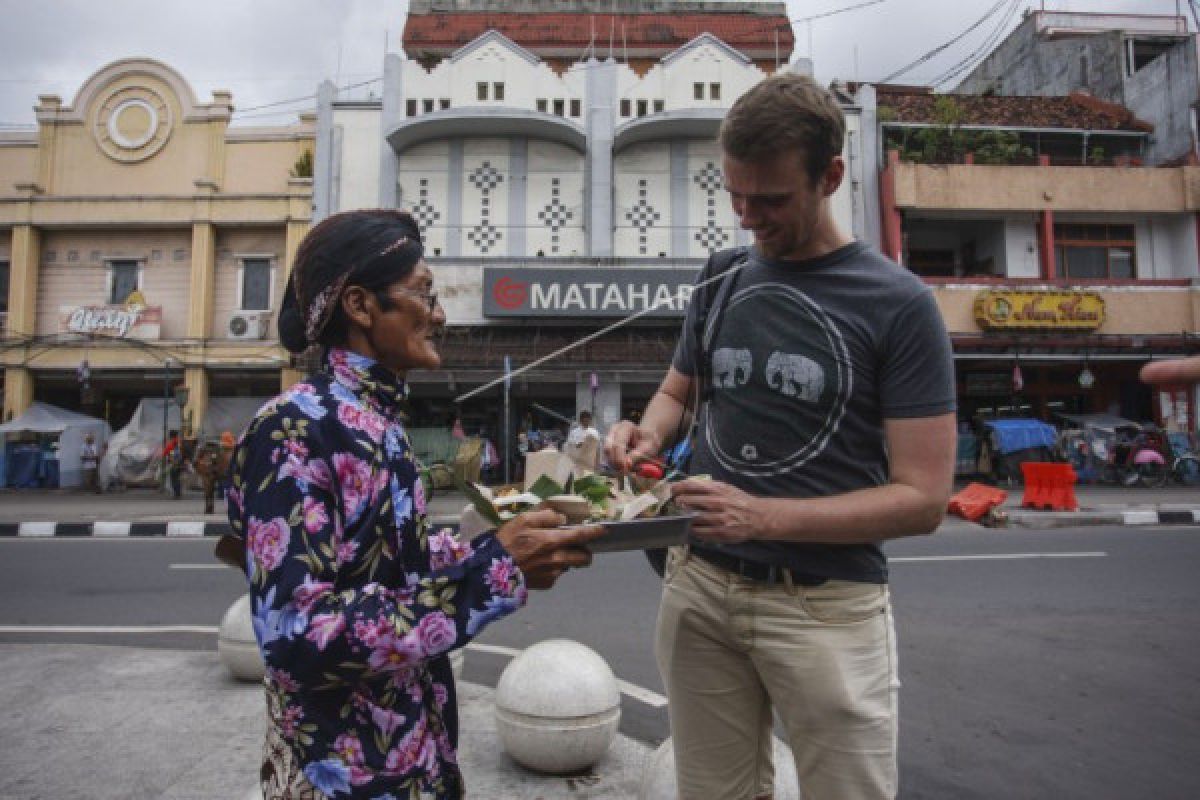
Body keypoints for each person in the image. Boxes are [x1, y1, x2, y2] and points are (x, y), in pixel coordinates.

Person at [605, 73, 957, 800]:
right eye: (734, 195)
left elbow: (923, 499)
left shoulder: (899, 304)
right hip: (697, 590)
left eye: (769, 199)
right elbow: (680, 389)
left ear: (829, 176)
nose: (747, 217)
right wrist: (646, 432)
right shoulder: (722, 276)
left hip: (824, 607)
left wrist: (761, 517)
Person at [225, 209, 603, 800]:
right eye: (424, 293)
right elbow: (296, 635)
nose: (440, 314)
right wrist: (493, 574)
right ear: (360, 305)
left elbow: (391, 565)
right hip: (341, 775)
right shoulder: (293, 428)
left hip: (416, 756)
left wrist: (504, 547)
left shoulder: (378, 422)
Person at [162, 429, 184, 499]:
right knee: (177, 478)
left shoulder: (171, 443)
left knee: (174, 479)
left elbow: (165, 453)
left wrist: (170, 458)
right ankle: (178, 493)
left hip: (173, 463)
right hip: (180, 463)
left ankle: (176, 494)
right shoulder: (180, 442)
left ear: (170, 436)